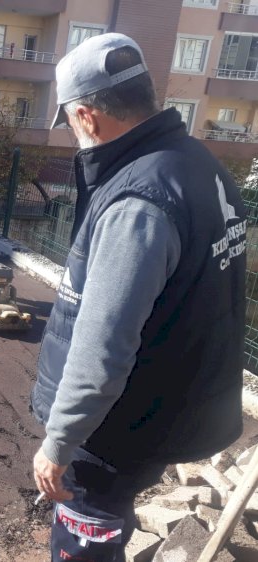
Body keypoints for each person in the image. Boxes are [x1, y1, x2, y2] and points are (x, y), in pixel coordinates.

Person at [30, 33, 247, 561]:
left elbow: (103, 347)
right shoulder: (197, 163)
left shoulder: (138, 200)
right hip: (165, 407)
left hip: (114, 433)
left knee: (86, 542)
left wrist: (59, 443)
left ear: (86, 117)